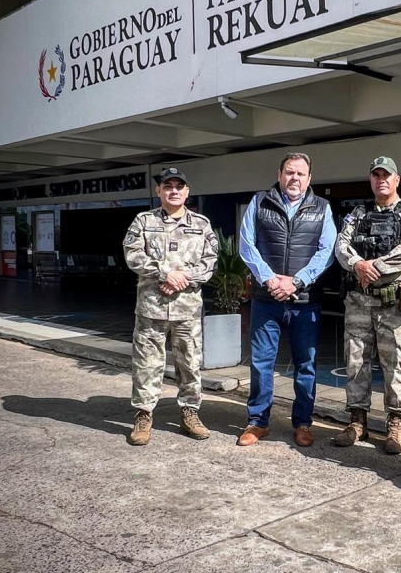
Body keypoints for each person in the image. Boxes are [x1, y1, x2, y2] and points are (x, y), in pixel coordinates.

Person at [237, 153, 336, 448]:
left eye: (301, 174)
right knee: (261, 363)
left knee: (306, 364)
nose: (295, 178)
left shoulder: (322, 208)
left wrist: (296, 281)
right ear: (279, 173)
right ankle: (258, 422)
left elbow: (326, 250)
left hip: (305, 301)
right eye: (290, 172)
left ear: (309, 179)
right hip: (266, 300)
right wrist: (270, 280)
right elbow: (246, 244)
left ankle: (303, 423)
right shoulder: (259, 202)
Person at [334, 156, 401, 454]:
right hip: (358, 302)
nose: (381, 180)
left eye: (386, 175)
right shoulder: (358, 214)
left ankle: (396, 424)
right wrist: (357, 263)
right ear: (371, 180)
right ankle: (357, 421)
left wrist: (375, 266)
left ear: (397, 179)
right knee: (356, 361)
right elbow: (341, 245)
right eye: (375, 175)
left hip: (393, 304)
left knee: (396, 363)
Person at [123, 167, 219, 446]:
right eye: (168, 186)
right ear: (159, 191)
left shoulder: (201, 224)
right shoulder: (143, 221)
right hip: (151, 308)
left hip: (187, 309)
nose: (174, 190)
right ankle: (143, 415)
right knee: (147, 364)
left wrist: (179, 280)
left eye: (179, 186)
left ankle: (190, 412)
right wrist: (166, 273)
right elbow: (132, 254)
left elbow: (210, 261)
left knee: (189, 363)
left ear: (187, 192)